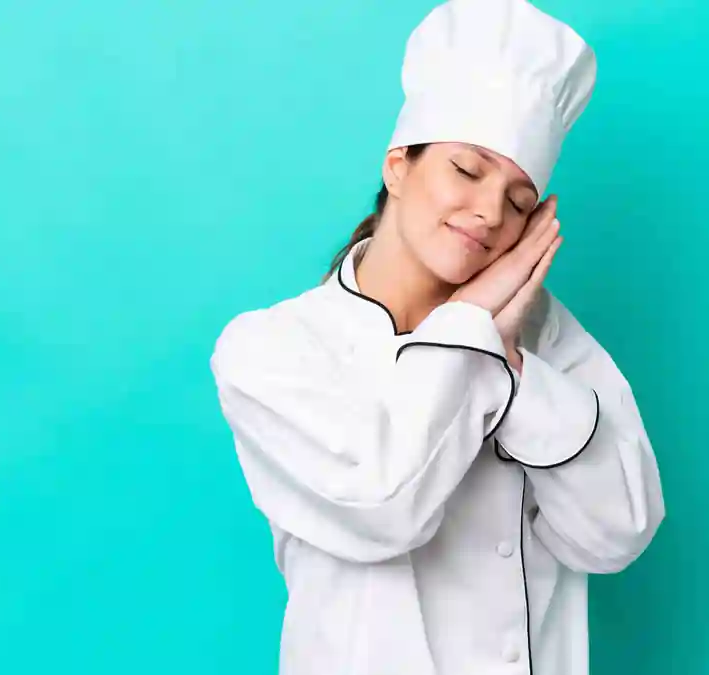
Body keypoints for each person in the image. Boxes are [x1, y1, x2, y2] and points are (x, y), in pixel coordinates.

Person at [209, 0, 665, 673]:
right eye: (466, 169)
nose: (487, 212)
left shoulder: (549, 338)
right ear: (398, 165)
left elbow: (618, 532)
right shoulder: (271, 349)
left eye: (517, 200)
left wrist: (514, 366)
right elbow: (384, 506)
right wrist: (472, 325)